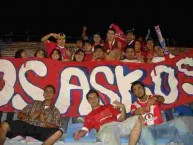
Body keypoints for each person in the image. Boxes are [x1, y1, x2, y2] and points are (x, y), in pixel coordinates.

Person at [130, 81, 193, 145]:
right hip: (148, 130)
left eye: (139, 88)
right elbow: (132, 115)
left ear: (144, 88)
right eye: (135, 90)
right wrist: (136, 112)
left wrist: (155, 98)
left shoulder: (153, 97)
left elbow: (162, 99)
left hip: (161, 127)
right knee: (143, 130)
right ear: (134, 93)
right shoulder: (134, 105)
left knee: (179, 122)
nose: (138, 91)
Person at [73, 89, 144, 145]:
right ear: (88, 101)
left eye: (95, 97)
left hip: (119, 125)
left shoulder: (108, 107)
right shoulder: (89, 116)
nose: (93, 99)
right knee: (110, 134)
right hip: (106, 129)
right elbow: (85, 129)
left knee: (137, 118)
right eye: (90, 98)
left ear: (98, 98)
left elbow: (122, 118)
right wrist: (78, 134)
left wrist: (122, 107)